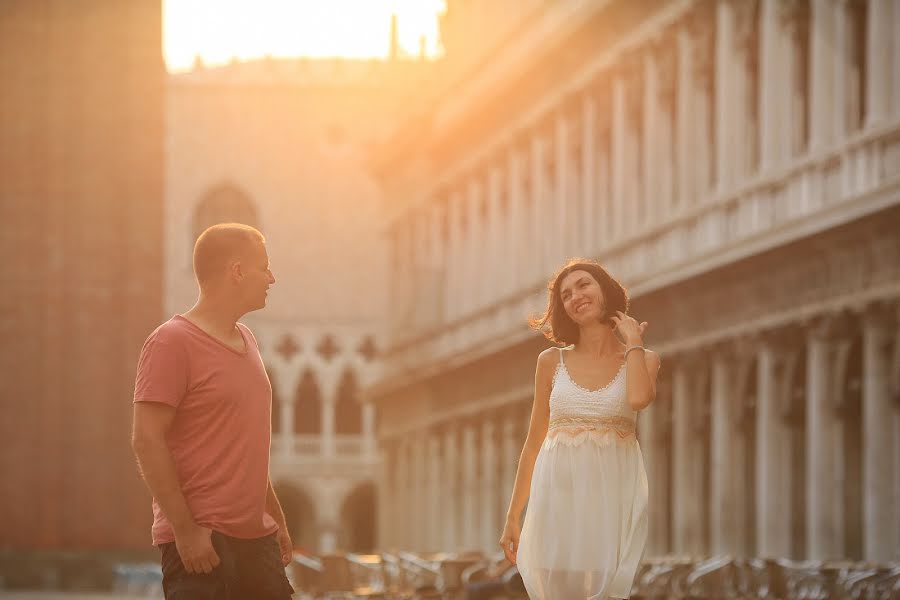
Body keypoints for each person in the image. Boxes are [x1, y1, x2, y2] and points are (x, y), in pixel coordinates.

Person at [131, 223, 294, 599]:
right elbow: (146, 440)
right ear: (236, 271)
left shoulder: (248, 340)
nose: (272, 278)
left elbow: (246, 447)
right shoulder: (170, 342)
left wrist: (278, 522)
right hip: (203, 544)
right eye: (263, 267)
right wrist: (186, 532)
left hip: (258, 541)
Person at [499, 259, 660, 600]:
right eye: (566, 295)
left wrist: (632, 341)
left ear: (605, 291)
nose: (575, 296)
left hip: (610, 506)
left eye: (584, 285)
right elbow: (533, 445)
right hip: (557, 502)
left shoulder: (644, 359)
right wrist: (514, 516)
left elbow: (638, 399)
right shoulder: (549, 362)